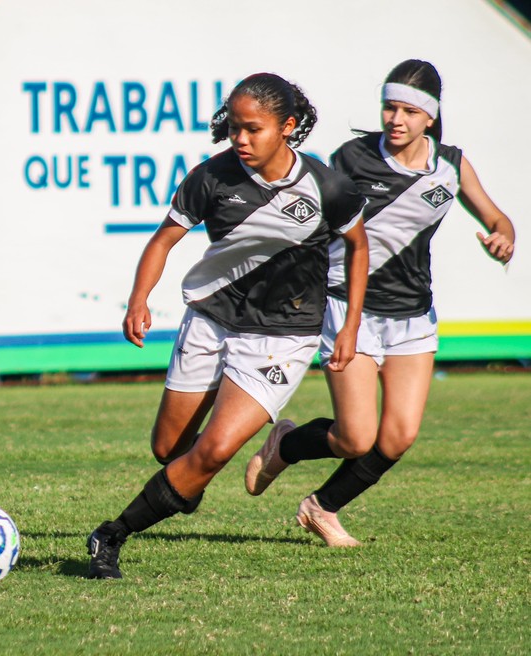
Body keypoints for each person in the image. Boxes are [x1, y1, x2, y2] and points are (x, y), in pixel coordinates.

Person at [85, 73, 370, 579]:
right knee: (170, 453)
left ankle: (112, 534)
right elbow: (162, 241)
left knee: (212, 451)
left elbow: (358, 246)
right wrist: (138, 298)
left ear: (287, 127)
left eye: (252, 129)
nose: (240, 139)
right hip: (211, 319)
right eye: (234, 127)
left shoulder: (327, 186)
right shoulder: (211, 177)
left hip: (283, 336)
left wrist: (348, 326)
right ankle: (189, 480)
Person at [244, 59, 516, 547]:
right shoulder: (351, 158)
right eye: (389, 107)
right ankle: (285, 443)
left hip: (413, 315)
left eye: (409, 111)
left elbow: (499, 218)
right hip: (350, 309)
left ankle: (320, 507)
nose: (396, 119)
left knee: (397, 438)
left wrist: (503, 238)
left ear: (429, 118)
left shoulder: (450, 166)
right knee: (355, 438)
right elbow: (304, 217)